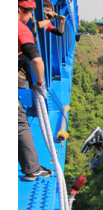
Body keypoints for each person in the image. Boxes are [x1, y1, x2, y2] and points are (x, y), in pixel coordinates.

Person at [18, 0, 53, 180]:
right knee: (19, 124)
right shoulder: (21, 28)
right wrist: (40, 84)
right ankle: (32, 168)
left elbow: (57, 30)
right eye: (29, 10)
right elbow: (37, 60)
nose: (32, 15)